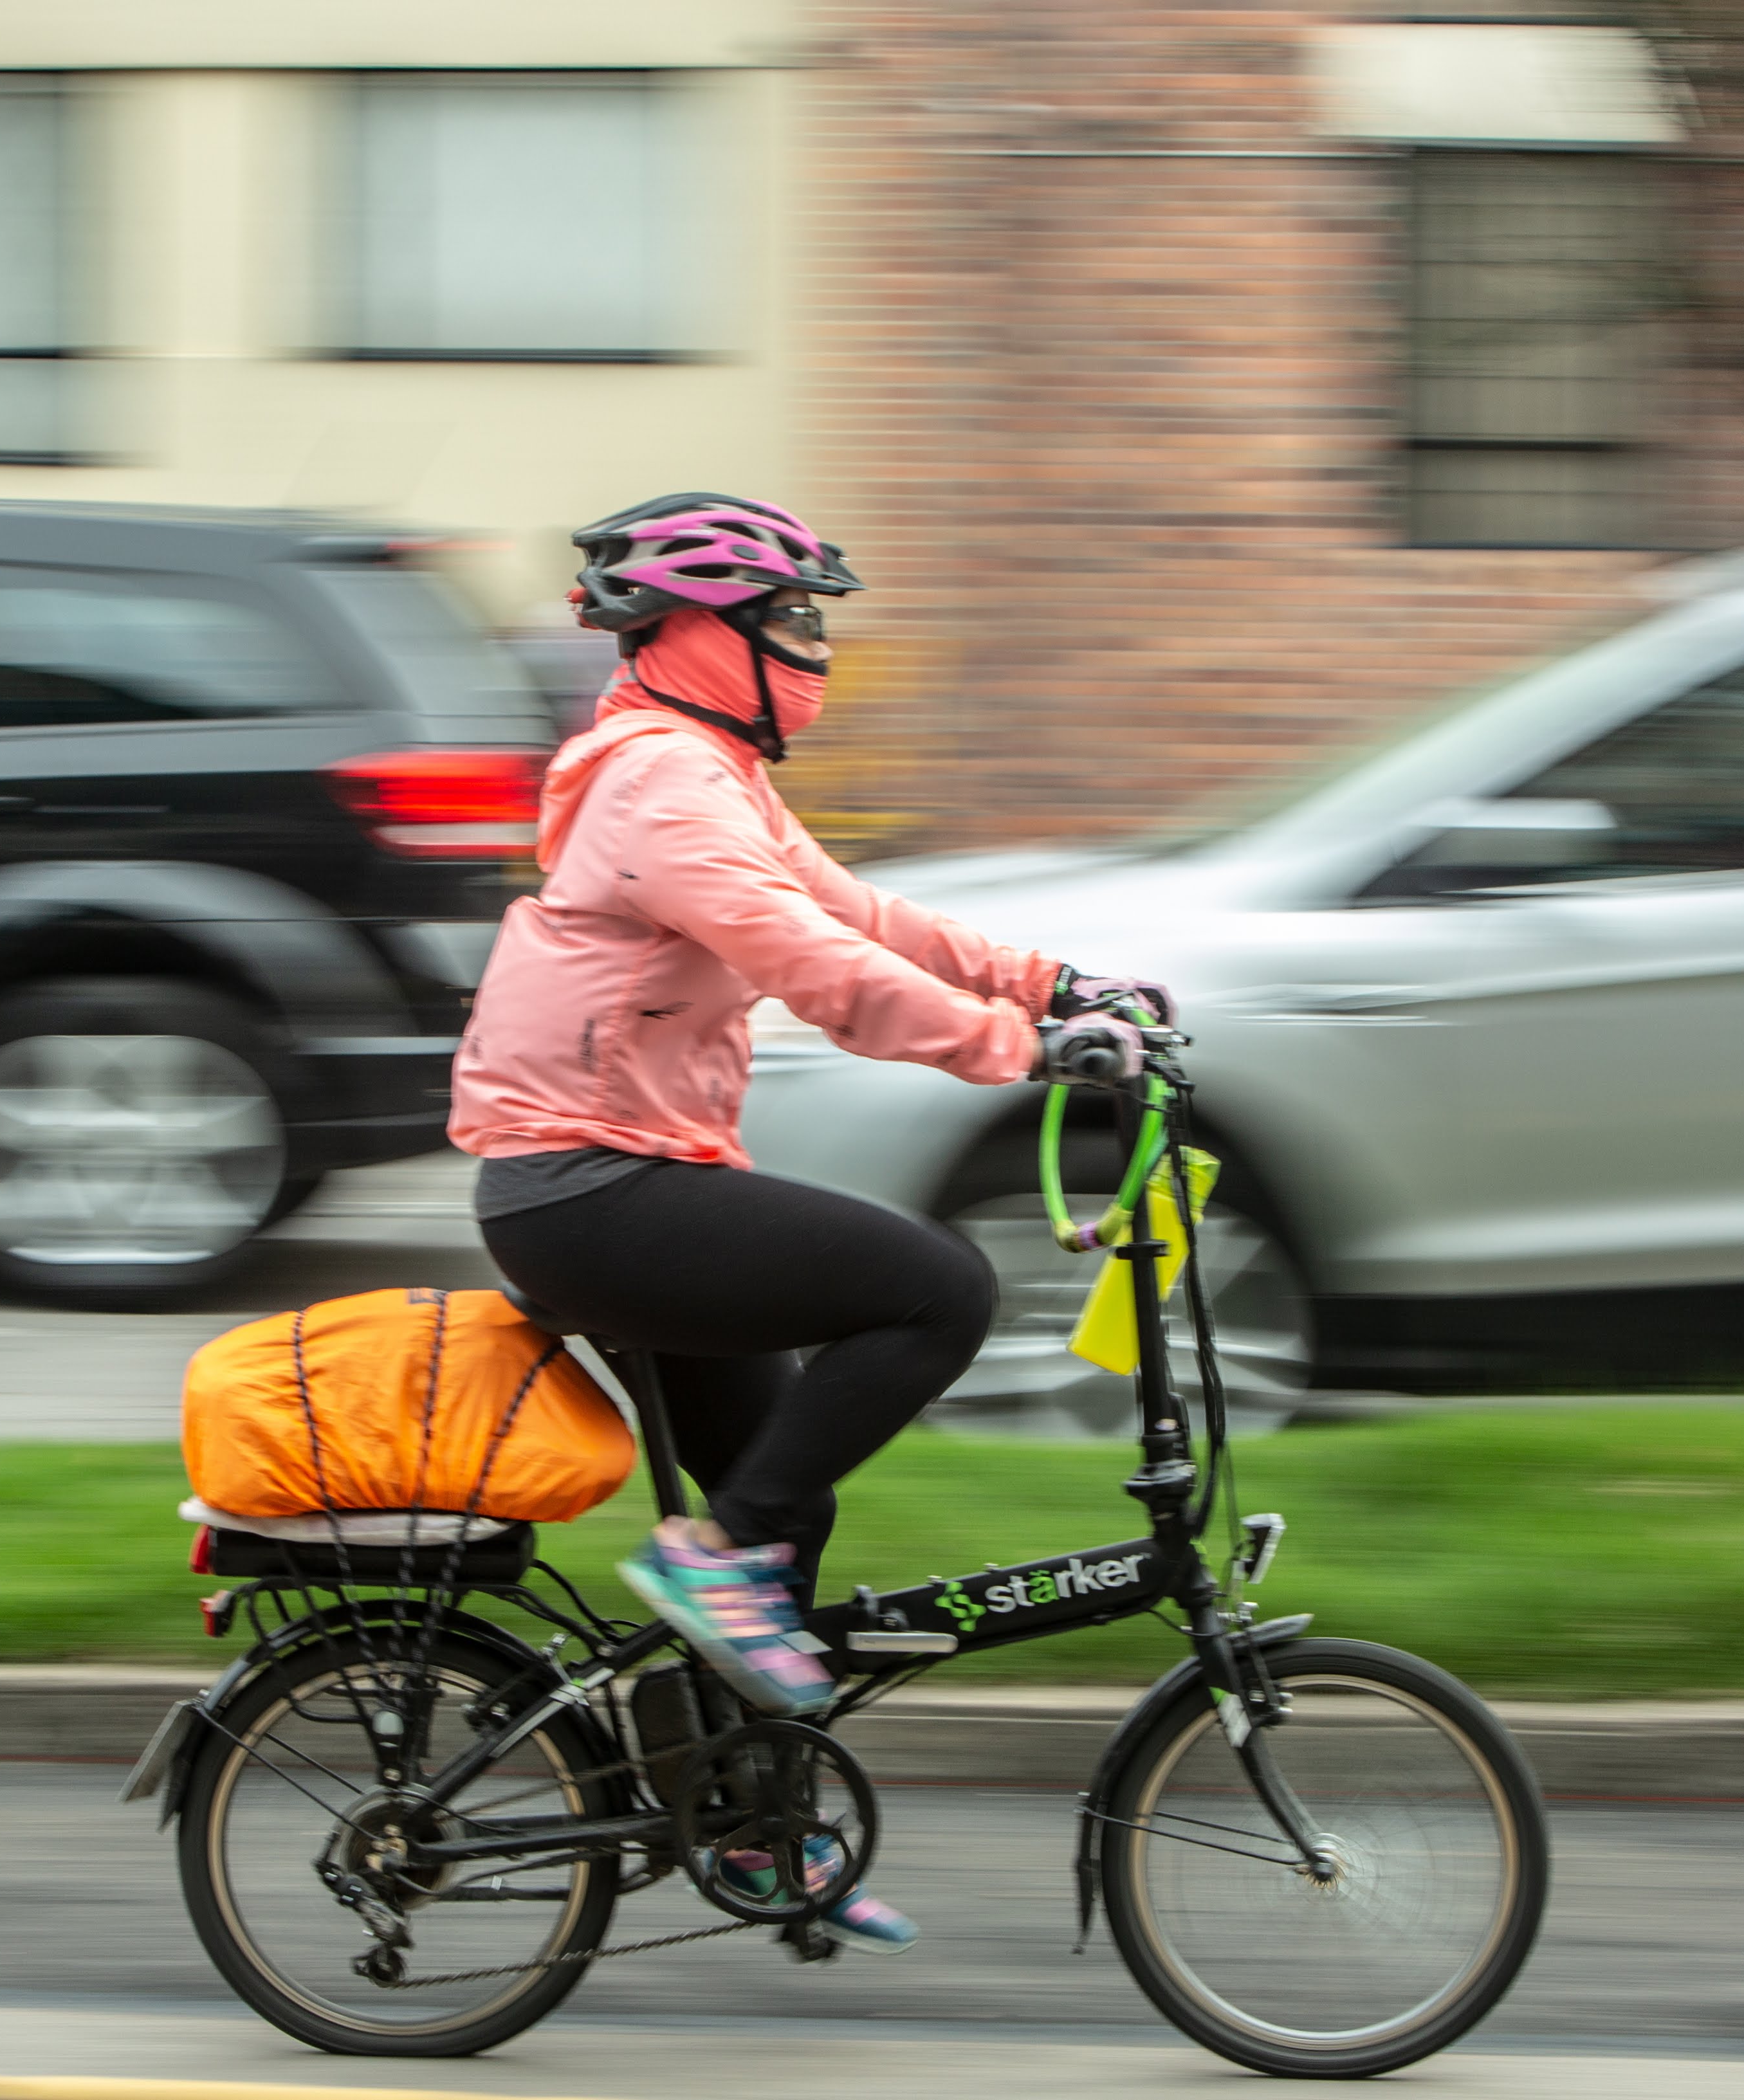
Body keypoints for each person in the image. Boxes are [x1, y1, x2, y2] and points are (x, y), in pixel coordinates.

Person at [447, 493, 1161, 1954]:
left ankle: (747, 1819)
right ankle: (714, 1587)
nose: (815, 648)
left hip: (626, 1178)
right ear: (703, 635)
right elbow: (806, 963)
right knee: (934, 1292)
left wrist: (1055, 984)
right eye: (792, 620)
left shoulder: (702, 775)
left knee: (782, 1504)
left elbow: (865, 917)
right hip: (589, 1190)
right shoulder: (659, 785)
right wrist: (1015, 1053)